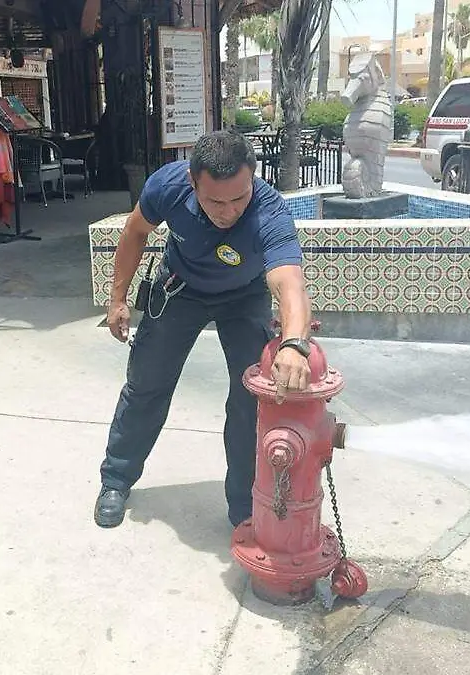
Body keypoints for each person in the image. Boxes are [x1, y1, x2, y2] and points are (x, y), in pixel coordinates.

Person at [94, 130, 315, 529]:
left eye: (238, 198)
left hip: (243, 298)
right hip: (179, 289)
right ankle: (116, 479)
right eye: (215, 200)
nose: (228, 211)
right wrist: (117, 298)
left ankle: (244, 505)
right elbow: (135, 231)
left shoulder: (269, 209)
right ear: (193, 182)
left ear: (252, 181)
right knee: (147, 384)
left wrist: (295, 344)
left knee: (252, 399)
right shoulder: (168, 185)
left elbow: (289, 281)